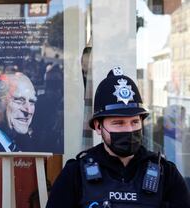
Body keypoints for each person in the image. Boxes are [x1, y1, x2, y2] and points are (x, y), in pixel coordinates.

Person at [46, 67, 190, 208]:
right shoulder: (75, 174)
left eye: (135, 122)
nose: (129, 130)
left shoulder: (167, 174)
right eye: (119, 123)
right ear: (98, 126)